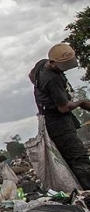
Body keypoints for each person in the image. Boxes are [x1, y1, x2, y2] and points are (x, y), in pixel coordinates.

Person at [30, 42, 90, 189]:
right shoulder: (52, 80)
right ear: (52, 62)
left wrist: (43, 94)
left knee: (72, 158)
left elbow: (31, 75)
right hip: (59, 124)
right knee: (79, 158)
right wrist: (81, 103)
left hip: (51, 121)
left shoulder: (40, 65)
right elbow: (63, 108)